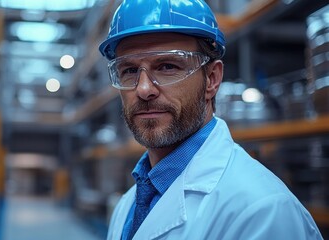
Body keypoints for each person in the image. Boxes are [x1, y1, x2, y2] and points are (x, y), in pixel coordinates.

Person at [98, 0, 323, 239]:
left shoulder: (263, 211)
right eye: (130, 70)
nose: (143, 89)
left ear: (212, 79)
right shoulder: (129, 204)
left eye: (167, 66)